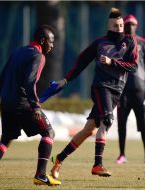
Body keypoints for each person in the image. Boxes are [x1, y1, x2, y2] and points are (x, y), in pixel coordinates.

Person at [46, 7, 137, 178]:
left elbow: (133, 66)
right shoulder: (99, 43)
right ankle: (97, 165)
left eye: (121, 25)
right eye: (115, 26)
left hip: (117, 91)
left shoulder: (130, 42)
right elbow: (81, 62)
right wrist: (65, 80)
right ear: (108, 27)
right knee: (108, 121)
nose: (119, 28)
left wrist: (112, 62)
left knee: (89, 129)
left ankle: (58, 159)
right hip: (101, 87)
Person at [0, 25, 61, 187]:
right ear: (42, 40)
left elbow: (2, 77)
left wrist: (7, 95)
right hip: (23, 104)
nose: (52, 45)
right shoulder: (38, 56)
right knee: (49, 132)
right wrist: (35, 106)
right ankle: (40, 175)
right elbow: (30, 82)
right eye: (51, 41)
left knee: (6, 139)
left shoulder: (18, 51)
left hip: (6, 102)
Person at [115, 15, 145, 164]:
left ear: (137, 26)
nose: (130, 27)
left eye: (133, 24)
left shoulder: (144, 43)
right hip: (123, 90)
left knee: (143, 123)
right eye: (128, 24)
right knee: (121, 123)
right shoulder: (118, 43)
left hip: (140, 89)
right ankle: (122, 155)